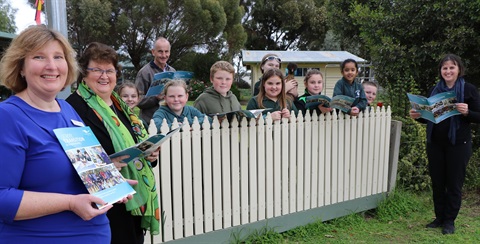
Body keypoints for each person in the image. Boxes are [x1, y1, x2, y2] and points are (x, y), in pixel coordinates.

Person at [0, 25, 130, 243]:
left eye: (58, 57)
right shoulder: (8, 117)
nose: (51, 66)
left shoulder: (67, 109)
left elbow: (78, 169)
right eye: (39, 57)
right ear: (21, 66)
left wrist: (111, 184)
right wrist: (70, 203)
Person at [66, 42, 160, 244]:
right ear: (84, 73)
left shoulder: (121, 106)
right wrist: (106, 165)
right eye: (97, 69)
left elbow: (137, 145)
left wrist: (150, 155)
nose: (104, 76)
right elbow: (70, 161)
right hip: (103, 204)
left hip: (133, 199)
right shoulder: (72, 108)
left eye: (109, 70)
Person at [409, 54, 480, 235]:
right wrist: (418, 116)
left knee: (454, 184)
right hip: (435, 145)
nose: (448, 71)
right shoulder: (435, 90)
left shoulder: (469, 89)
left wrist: (467, 112)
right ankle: (439, 217)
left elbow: (478, 116)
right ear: (441, 71)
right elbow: (431, 118)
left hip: (459, 144)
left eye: (451, 67)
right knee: (438, 183)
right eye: (444, 68)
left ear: (459, 70)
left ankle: (449, 221)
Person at [135, 37, 176, 124]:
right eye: (160, 51)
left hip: (170, 120)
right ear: (153, 52)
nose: (164, 55)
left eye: (166, 51)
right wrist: (155, 98)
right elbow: (138, 100)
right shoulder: (144, 72)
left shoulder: (172, 71)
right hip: (150, 122)